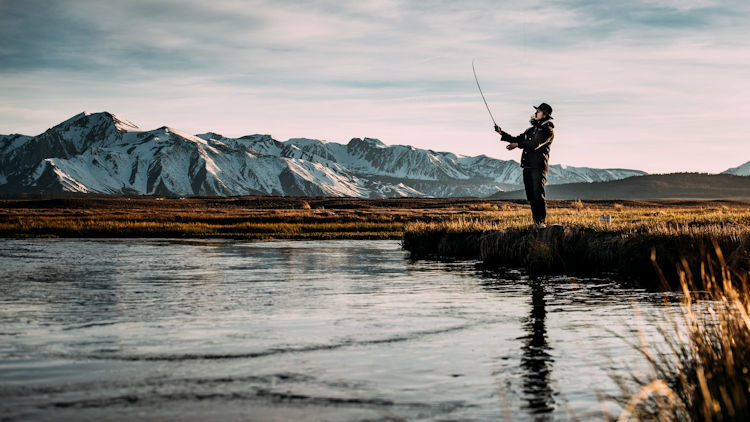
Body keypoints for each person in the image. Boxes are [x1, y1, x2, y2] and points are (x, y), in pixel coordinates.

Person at [494, 103, 555, 228]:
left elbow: (534, 144)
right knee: (531, 195)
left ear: (545, 114)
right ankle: (536, 222)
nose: (535, 113)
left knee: (538, 194)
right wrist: (501, 133)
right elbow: (517, 139)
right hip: (527, 166)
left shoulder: (548, 130)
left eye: (538, 111)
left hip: (538, 167)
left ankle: (541, 222)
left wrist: (517, 145)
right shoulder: (531, 130)